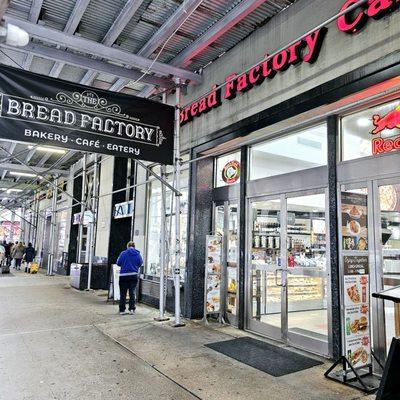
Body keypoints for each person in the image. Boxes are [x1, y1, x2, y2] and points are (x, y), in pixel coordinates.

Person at [116, 241, 143, 315]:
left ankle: (122, 310)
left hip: (123, 276)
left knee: (123, 293)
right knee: (132, 293)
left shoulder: (123, 253)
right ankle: (132, 309)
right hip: (133, 276)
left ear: (127, 246)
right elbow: (140, 263)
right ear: (134, 246)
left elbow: (118, 263)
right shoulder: (138, 254)